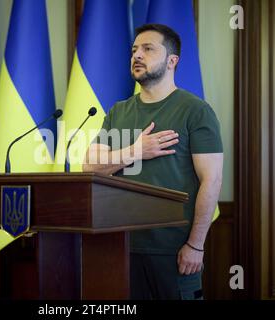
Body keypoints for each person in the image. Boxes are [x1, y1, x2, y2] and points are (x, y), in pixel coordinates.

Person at [82, 24, 223, 300]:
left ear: (172, 61)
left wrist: (196, 244)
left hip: (174, 249)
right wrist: (135, 151)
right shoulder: (118, 111)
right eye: (134, 49)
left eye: (148, 49)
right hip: (121, 245)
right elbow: (89, 166)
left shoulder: (196, 111)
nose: (137, 55)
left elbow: (212, 179)